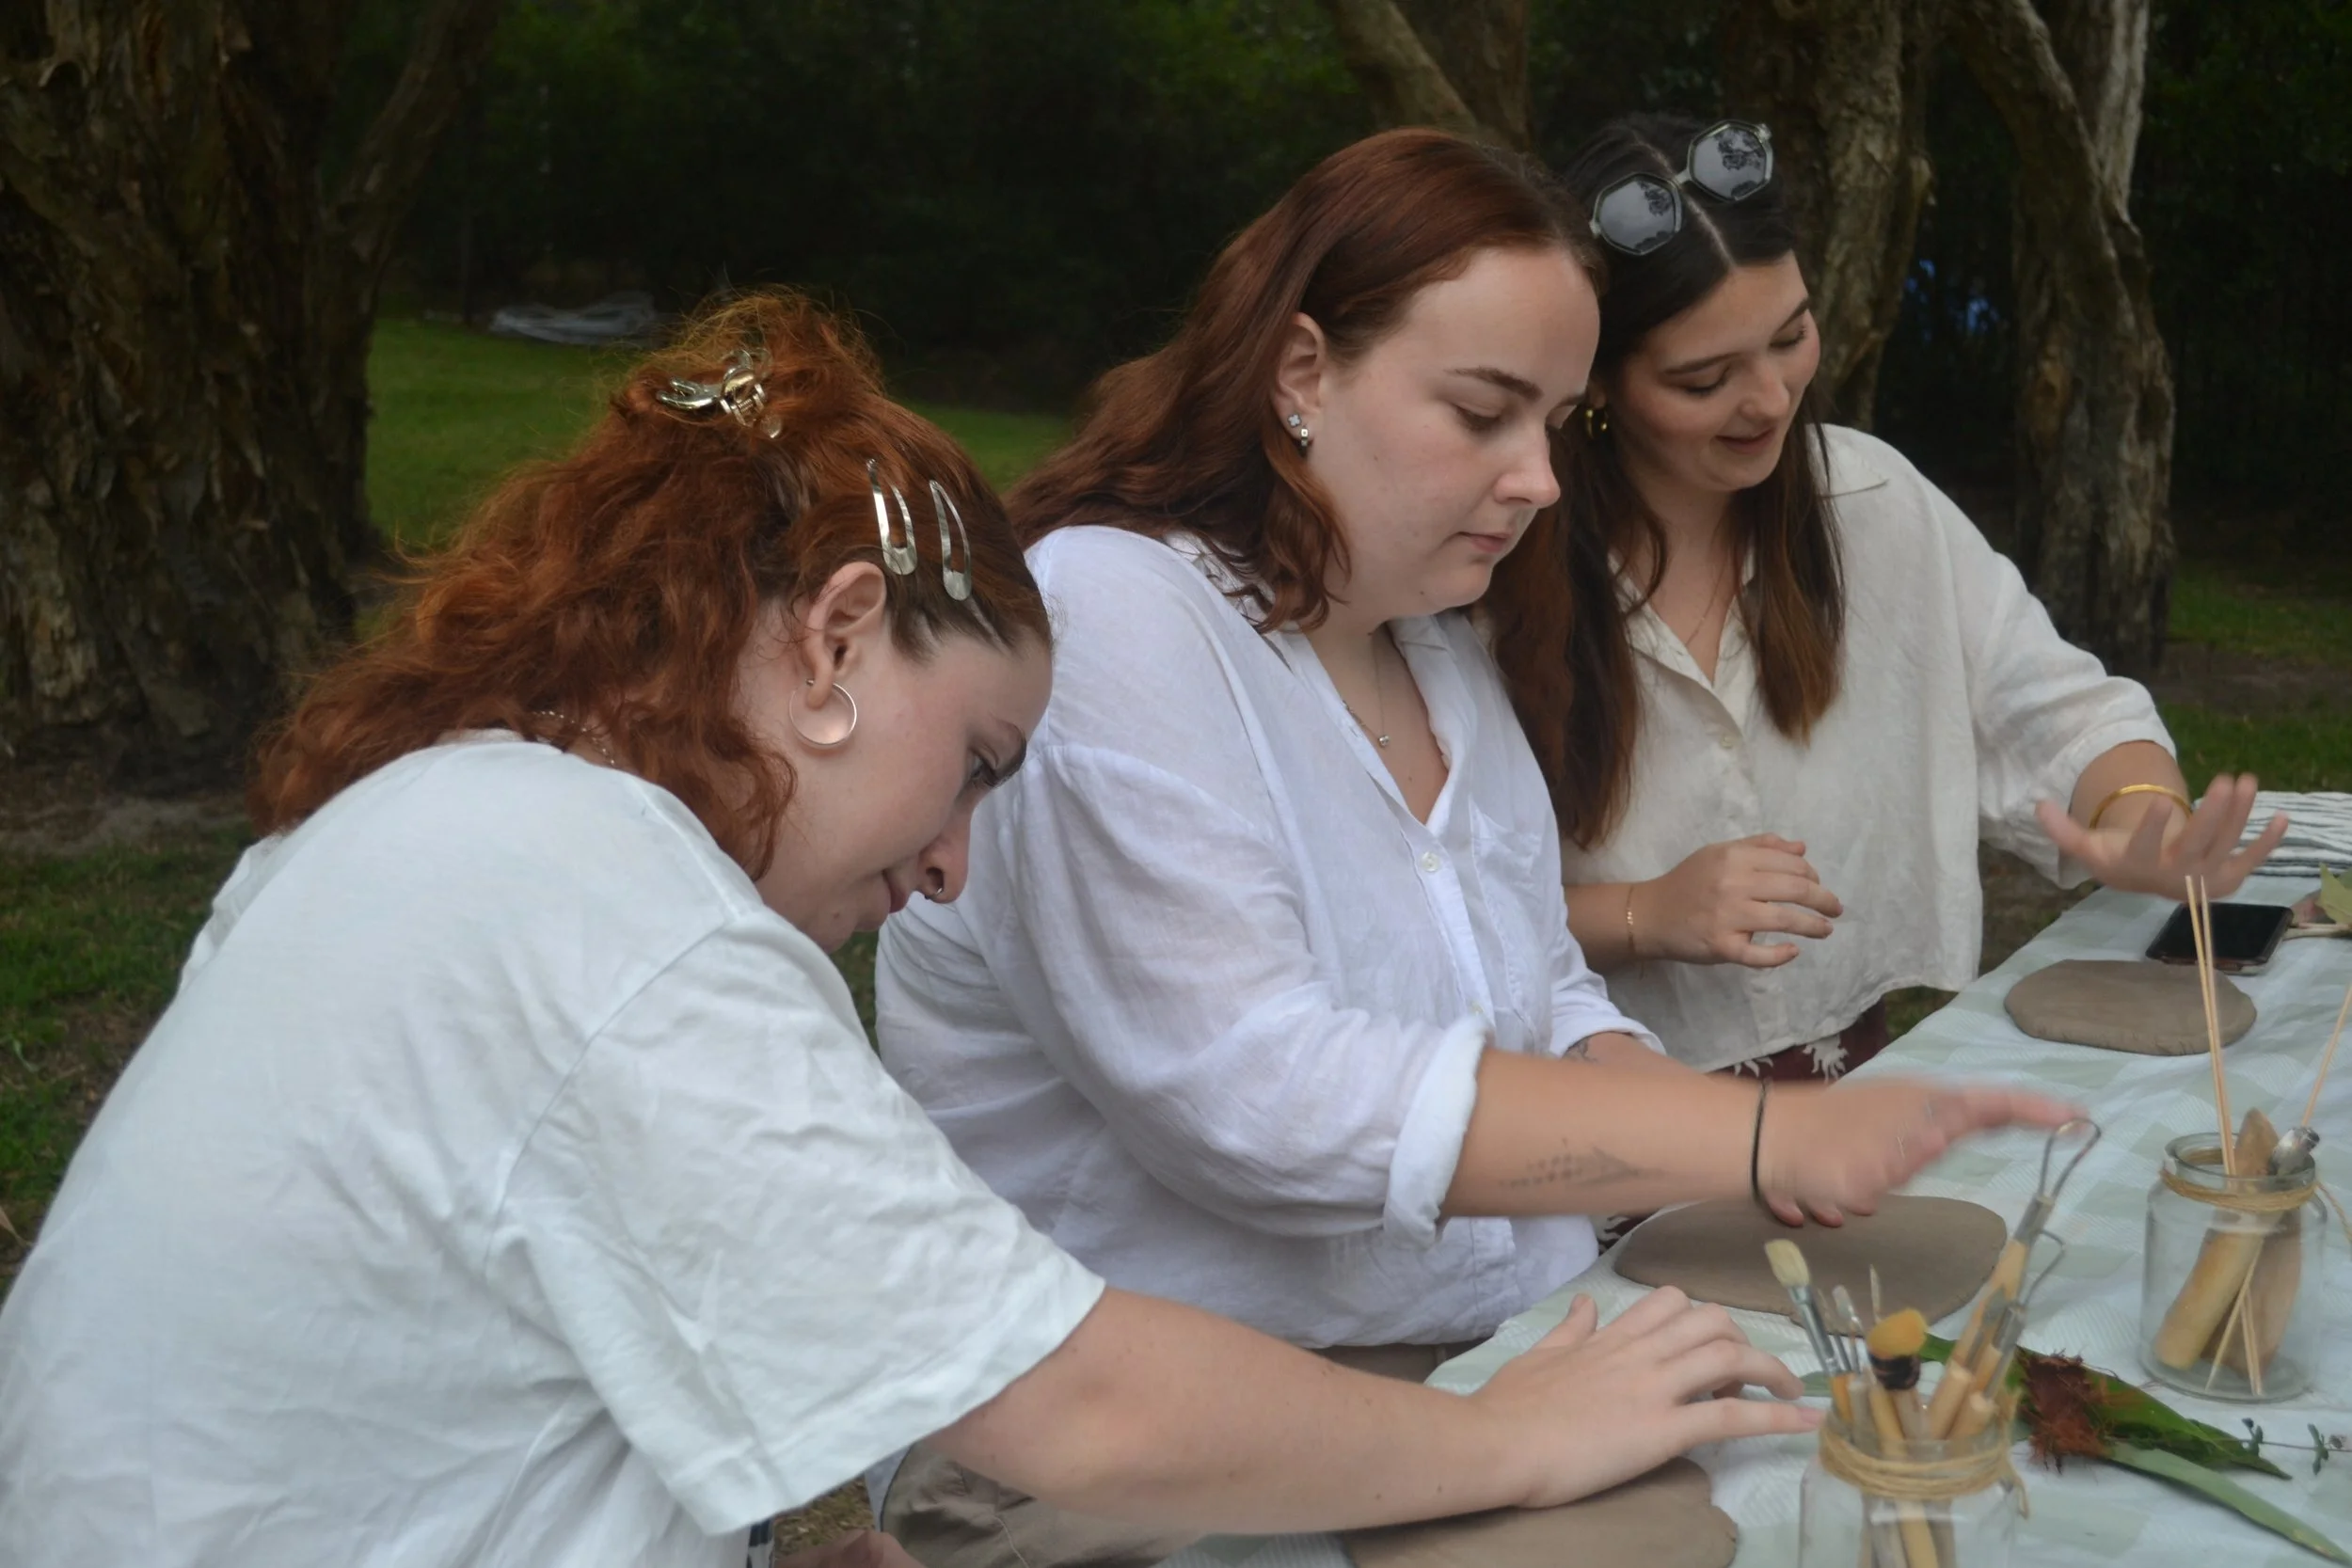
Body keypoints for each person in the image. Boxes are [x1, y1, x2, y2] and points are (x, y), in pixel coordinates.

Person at [0, 293, 1824, 1568]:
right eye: (970, 766)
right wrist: (1522, 1433)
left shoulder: (447, 829)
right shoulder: (611, 922)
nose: (957, 861)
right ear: (831, 639)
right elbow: (1085, 1406)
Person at [874, 130, 2078, 1568]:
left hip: (1465, 1351)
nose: (1541, 482)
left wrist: (1712, 1143)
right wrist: (1755, 1130)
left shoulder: (1437, 653)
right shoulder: (1114, 616)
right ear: (1302, 370)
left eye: (1554, 424)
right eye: (1482, 411)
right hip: (1132, 1448)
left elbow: (1542, 987)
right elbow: (1264, 1097)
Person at [1519, 113, 2288, 1083]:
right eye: (1703, 377)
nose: (1768, 399)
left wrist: (2145, 823)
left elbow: (2065, 715)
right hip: (1592, 1132)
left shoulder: (1870, 502)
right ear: (1597, 382)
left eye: (1790, 335)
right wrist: (1639, 913)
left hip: (1853, 1090)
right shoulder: (1499, 566)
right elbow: (1426, 912)